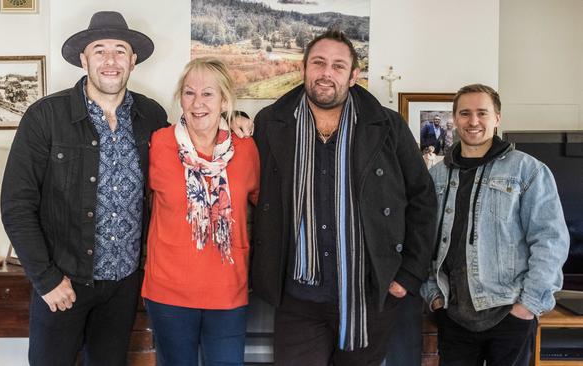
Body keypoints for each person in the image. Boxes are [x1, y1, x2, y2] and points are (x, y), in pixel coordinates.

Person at [1, 12, 250, 366]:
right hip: (64, 281)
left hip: (122, 287)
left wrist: (233, 118)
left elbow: (195, 141)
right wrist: (46, 278)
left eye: (120, 50)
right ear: (83, 59)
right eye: (99, 50)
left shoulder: (150, 117)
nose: (110, 60)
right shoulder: (46, 117)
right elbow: (16, 204)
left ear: (132, 61)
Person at [250, 29, 438, 366]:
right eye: (318, 63)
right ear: (304, 69)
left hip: (368, 294)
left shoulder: (388, 126)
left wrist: (407, 276)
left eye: (338, 66)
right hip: (297, 297)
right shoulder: (270, 123)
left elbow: (422, 199)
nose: (326, 73)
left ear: (353, 77)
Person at [420, 84, 570, 365]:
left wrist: (527, 306)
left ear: (497, 118)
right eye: (465, 113)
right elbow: (424, 240)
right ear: (455, 118)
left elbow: (550, 242)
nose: (473, 121)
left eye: (482, 113)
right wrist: (434, 298)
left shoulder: (528, 171)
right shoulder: (437, 175)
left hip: (510, 315)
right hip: (453, 317)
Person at [140, 57, 259, 366]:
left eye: (208, 93)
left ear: (224, 101)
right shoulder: (159, 143)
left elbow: (267, 207)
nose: (197, 102)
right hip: (168, 292)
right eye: (189, 92)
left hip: (228, 290)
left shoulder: (246, 149)